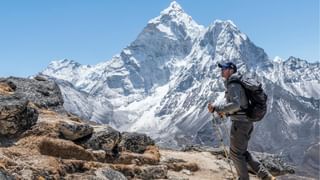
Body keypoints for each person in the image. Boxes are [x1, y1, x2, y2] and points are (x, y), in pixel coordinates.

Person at [207, 62, 275, 180]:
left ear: (231, 70)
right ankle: (265, 176)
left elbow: (236, 105)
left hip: (240, 123)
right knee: (242, 152)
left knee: (235, 154)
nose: (221, 70)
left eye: (224, 68)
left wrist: (217, 108)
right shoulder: (237, 82)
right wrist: (224, 110)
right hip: (246, 121)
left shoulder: (233, 83)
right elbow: (240, 104)